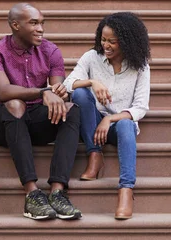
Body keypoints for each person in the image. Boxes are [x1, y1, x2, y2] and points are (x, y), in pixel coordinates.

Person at [0, 3, 82, 220]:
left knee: (71, 109)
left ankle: (57, 191)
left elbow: (56, 90)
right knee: (15, 104)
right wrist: (43, 91)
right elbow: (2, 92)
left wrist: (58, 93)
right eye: (34, 23)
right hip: (1, 122)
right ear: (15, 25)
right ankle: (32, 193)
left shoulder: (51, 51)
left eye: (42, 23)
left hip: (34, 119)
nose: (41, 29)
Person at [63, 12, 151, 220]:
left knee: (127, 125)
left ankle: (126, 190)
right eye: (103, 39)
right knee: (81, 94)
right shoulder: (92, 57)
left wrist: (110, 118)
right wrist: (92, 82)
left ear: (127, 42)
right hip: (90, 121)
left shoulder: (140, 66)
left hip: (117, 125)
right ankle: (95, 155)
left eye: (113, 41)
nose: (106, 45)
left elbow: (140, 107)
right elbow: (68, 84)